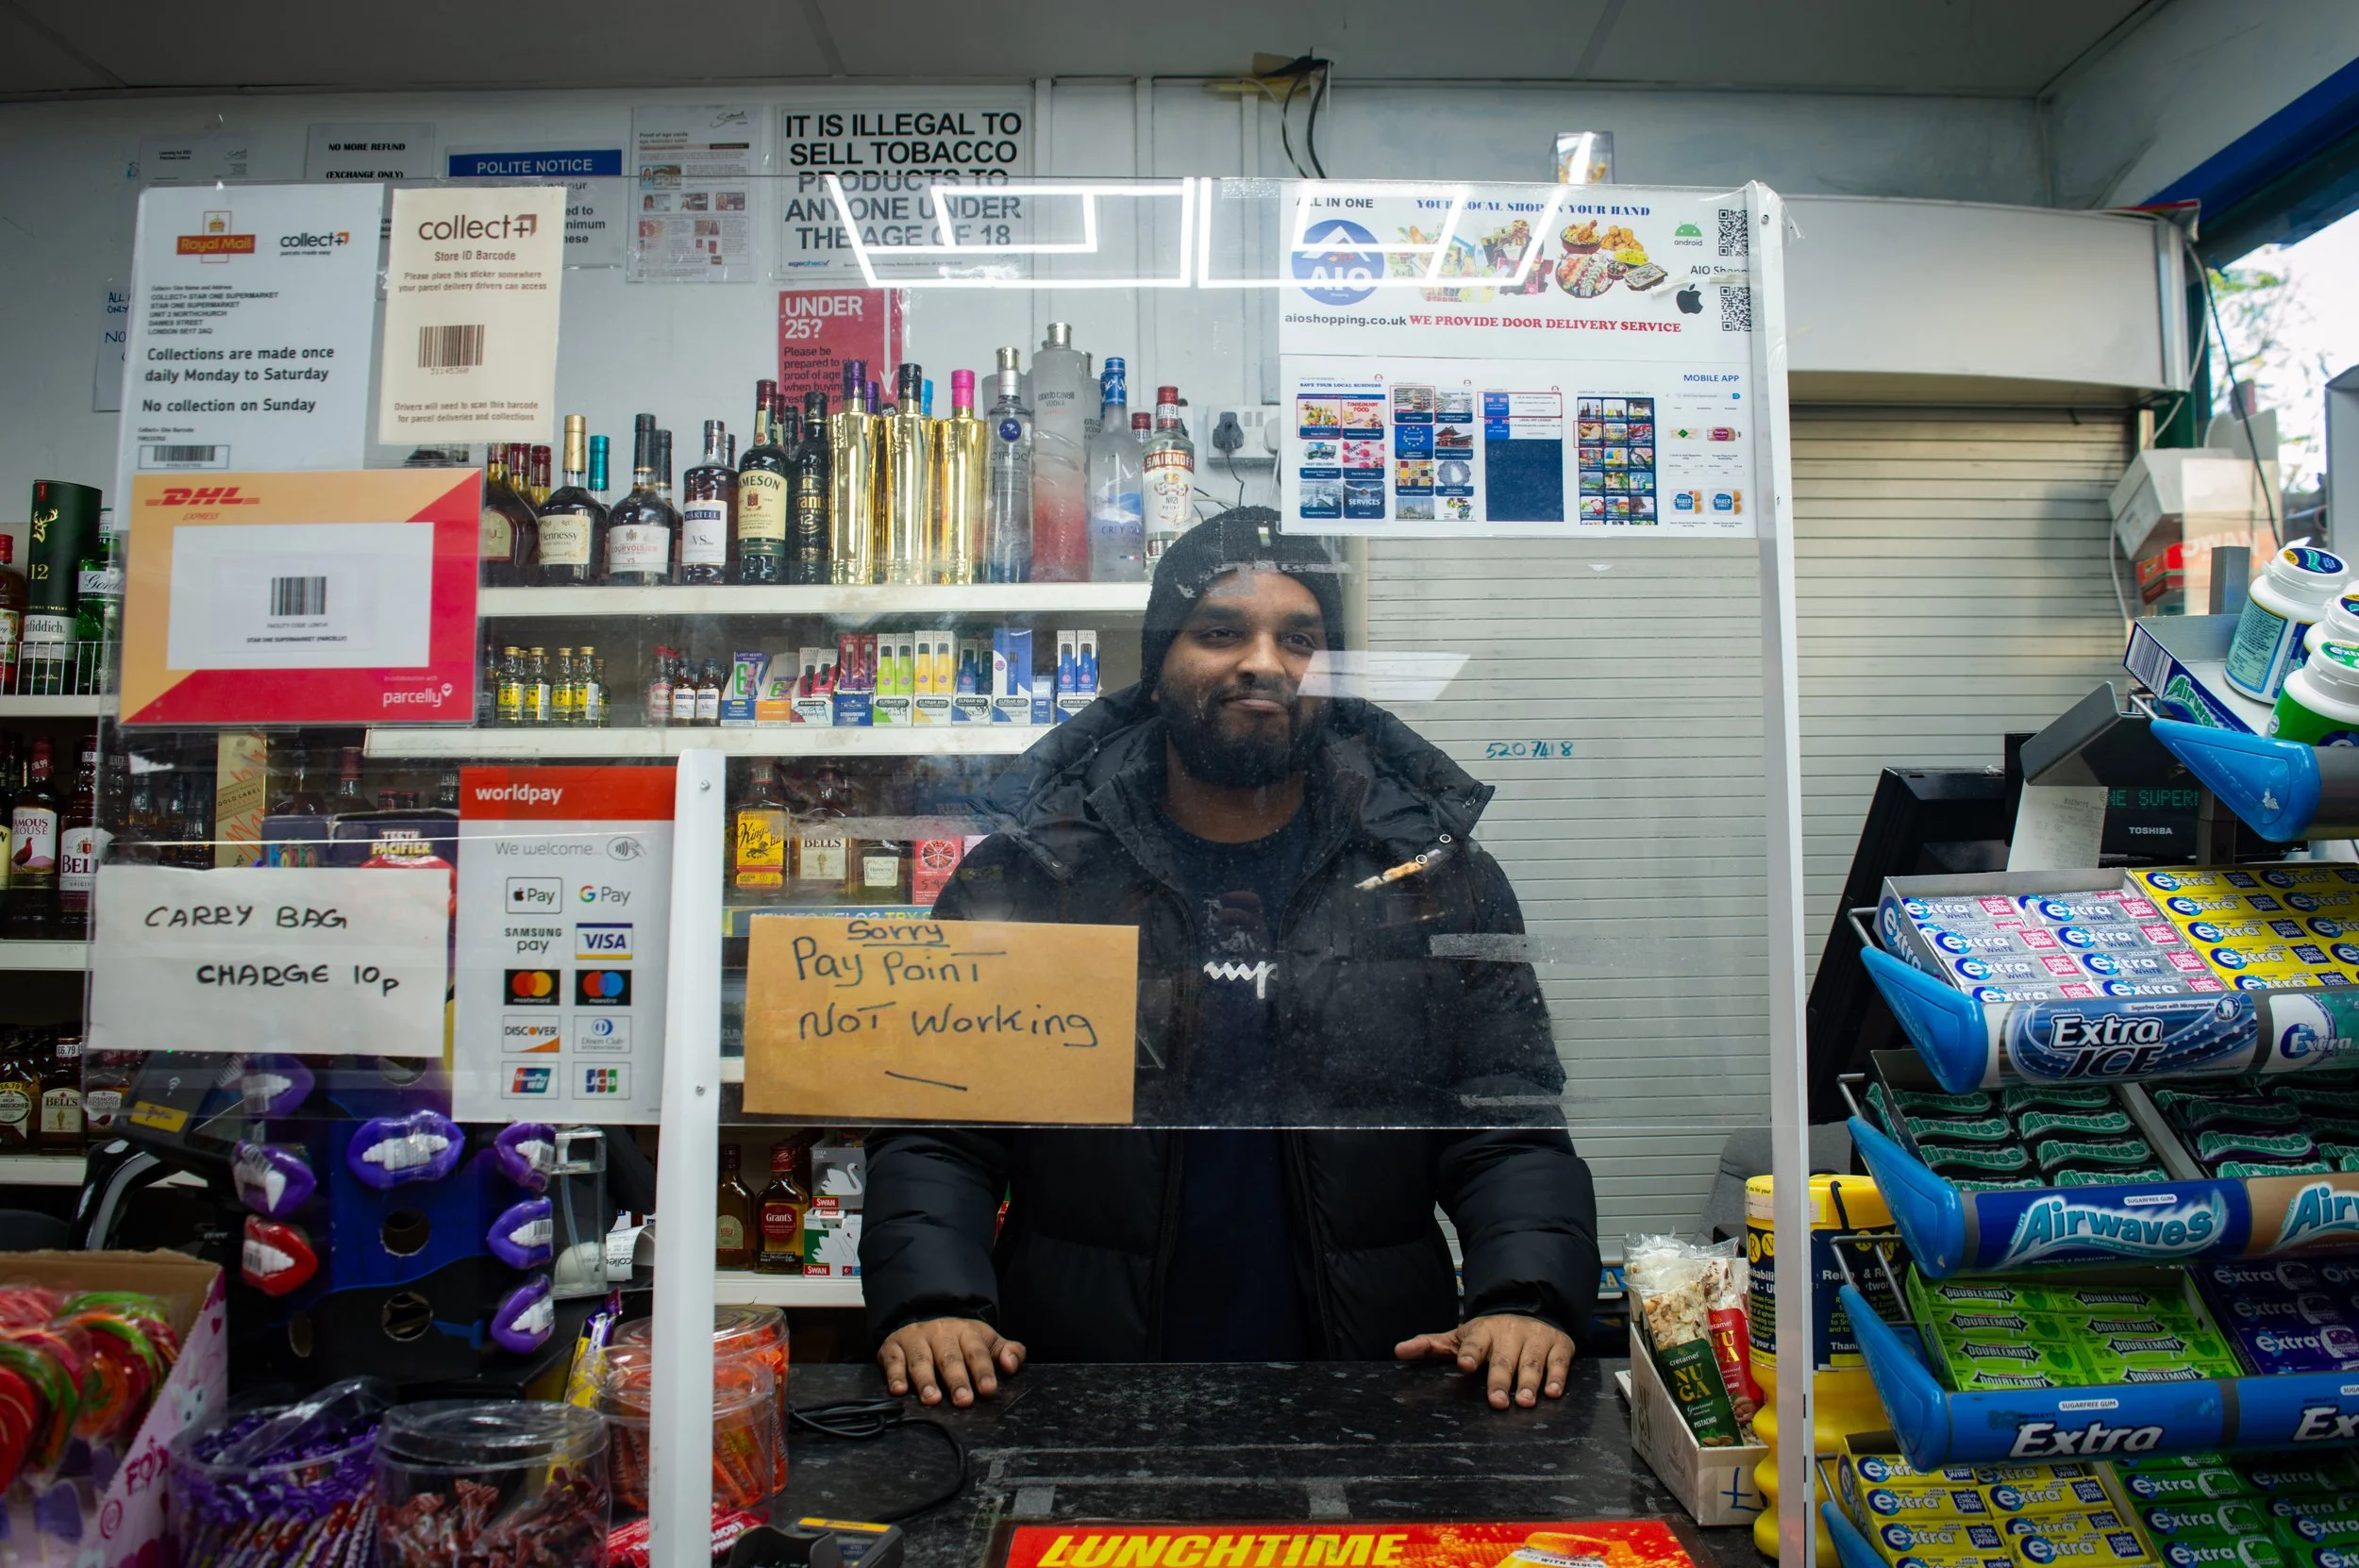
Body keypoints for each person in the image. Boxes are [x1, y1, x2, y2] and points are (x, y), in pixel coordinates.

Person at [861, 509, 1598, 1411]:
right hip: (1076, 1379)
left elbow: (1505, 1119)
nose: (1263, 662)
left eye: (1300, 638)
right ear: (1159, 660)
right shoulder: (1034, 870)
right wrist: (934, 1302)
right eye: (1221, 632)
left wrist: (1522, 1299)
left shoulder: (1429, 875)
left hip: (1375, 1378)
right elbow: (939, 1123)